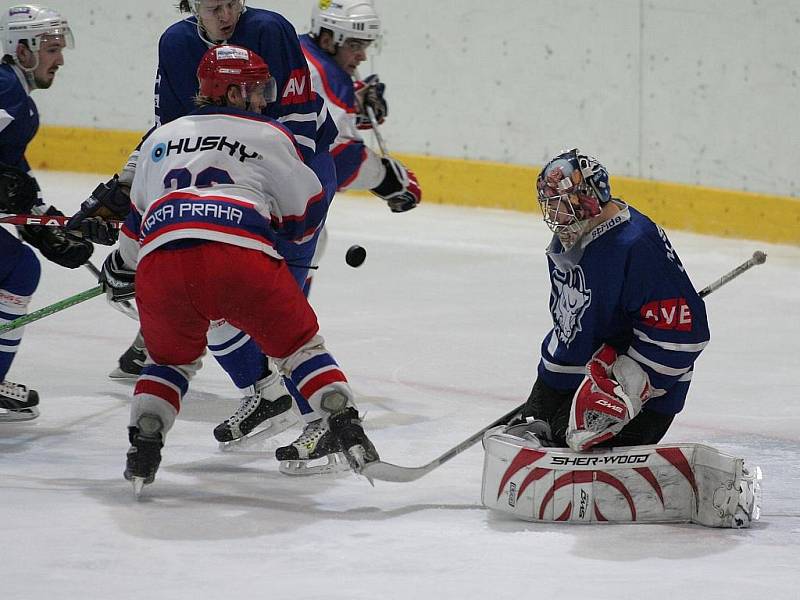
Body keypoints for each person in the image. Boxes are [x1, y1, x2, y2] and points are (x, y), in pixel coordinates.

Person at [100, 44, 378, 493]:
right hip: (239, 259)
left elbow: (136, 223)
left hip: (162, 263)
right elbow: (305, 213)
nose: (265, 99)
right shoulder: (268, 135)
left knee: (168, 363)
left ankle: (145, 443)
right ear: (231, 93)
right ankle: (344, 423)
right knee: (299, 350)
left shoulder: (159, 138)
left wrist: (119, 265)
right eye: (257, 90)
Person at [68, 0, 340, 458]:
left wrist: (250, 197)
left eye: (233, 2)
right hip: (226, 189)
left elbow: (297, 127)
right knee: (206, 294)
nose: (227, 15)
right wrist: (127, 184)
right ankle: (265, 393)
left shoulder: (270, 29)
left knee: (274, 312)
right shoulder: (176, 43)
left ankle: (321, 420)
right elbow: (173, 131)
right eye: (214, 7)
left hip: (296, 176)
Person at [519, 148, 710, 451]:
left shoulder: (635, 245)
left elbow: (688, 335)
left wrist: (627, 385)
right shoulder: (568, 246)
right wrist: (545, 394)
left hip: (645, 400)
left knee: (561, 434)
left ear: (589, 197)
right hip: (592, 376)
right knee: (542, 427)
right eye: (550, 206)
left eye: (563, 205)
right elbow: (573, 330)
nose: (555, 217)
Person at [0, 4, 94, 421]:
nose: (60, 59)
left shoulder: (13, 93)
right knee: (20, 269)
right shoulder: (6, 91)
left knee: (19, 266)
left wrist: (41, 218)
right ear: (21, 50)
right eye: (52, 49)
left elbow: (12, 171)